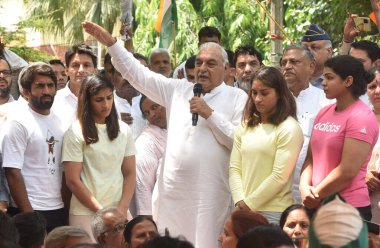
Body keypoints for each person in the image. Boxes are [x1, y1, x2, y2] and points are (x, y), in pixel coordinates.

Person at [82, 21, 247, 248]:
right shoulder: (178, 89)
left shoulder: (238, 97)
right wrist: (112, 44)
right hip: (173, 193)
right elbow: (138, 74)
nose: (202, 68)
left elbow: (238, 141)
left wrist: (210, 114)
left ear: (227, 69)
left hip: (210, 195)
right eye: (199, 62)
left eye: (211, 63)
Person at [299, 55, 379, 221]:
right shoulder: (323, 112)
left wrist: (316, 194)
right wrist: (304, 188)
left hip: (348, 207)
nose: (324, 83)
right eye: (323, 77)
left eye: (330, 77)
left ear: (348, 81)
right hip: (317, 204)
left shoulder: (361, 117)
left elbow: (347, 171)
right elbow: (310, 158)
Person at [62, 75, 135, 239]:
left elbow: (130, 173)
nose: (106, 104)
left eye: (109, 98)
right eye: (99, 100)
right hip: (85, 212)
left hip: (119, 211)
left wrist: (122, 209)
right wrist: (102, 212)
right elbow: (72, 180)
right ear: (87, 101)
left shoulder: (124, 130)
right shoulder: (75, 132)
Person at [229, 66, 303, 223]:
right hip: (243, 208)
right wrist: (240, 201)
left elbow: (279, 177)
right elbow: (235, 168)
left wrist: (246, 205)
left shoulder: (289, 128)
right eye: (254, 93)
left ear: (279, 94)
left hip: (273, 212)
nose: (257, 99)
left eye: (264, 93)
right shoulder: (245, 125)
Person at [2, 63, 66, 231]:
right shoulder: (18, 122)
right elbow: (12, 172)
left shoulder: (60, 122)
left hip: (57, 208)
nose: (46, 91)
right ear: (26, 92)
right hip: (28, 211)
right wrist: (30, 216)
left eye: (50, 85)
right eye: (40, 86)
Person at [281, 45, 331, 203]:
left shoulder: (326, 100)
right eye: (284, 63)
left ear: (311, 67)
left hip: (313, 190)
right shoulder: (273, 100)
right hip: (276, 190)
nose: (287, 67)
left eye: (294, 62)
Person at [133, 95, 167, 217]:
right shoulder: (145, 142)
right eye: (146, 113)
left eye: (155, 107)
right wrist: (148, 222)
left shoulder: (185, 127)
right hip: (164, 214)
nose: (152, 114)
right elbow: (143, 187)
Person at [52, 43, 98, 131]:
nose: (81, 70)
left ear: (95, 71)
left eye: (86, 65)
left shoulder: (104, 100)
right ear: (66, 70)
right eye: (75, 65)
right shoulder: (54, 100)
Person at [112, 69, 145, 140]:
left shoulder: (150, 101)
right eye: (121, 74)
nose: (127, 78)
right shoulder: (105, 103)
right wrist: (114, 125)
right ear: (112, 79)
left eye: (131, 74)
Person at [365, 66, 380, 223]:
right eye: (372, 86)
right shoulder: (357, 118)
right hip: (362, 198)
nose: (377, 91)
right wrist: (363, 175)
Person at [301, 24, 333, 89]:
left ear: (329, 52)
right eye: (305, 48)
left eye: (314, 47)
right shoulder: (293, 81)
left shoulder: (337, 81)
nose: (309, 51)